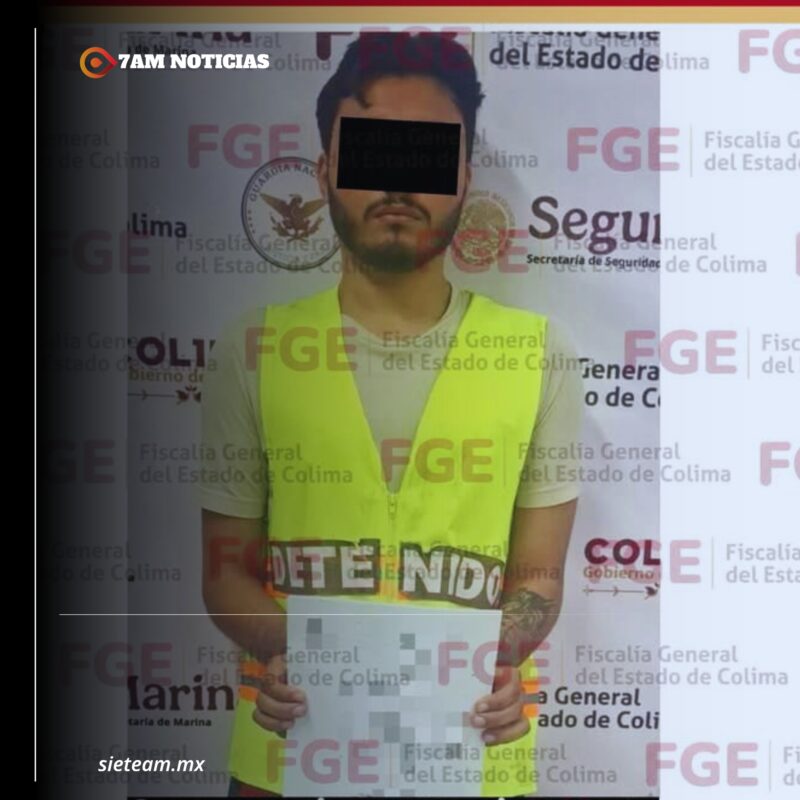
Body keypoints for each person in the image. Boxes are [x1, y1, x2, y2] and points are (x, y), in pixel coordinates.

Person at [200, 32, 583, 798]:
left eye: (424, 157)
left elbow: (538, 575)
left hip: (472, 750)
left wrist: (500, 655)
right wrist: (295, 655)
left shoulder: (537, 354)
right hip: (290, 750)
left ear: (464, 178)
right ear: (324, 173)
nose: (397, 187)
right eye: (374, 153)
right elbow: (224, 572)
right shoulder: (254, 350)